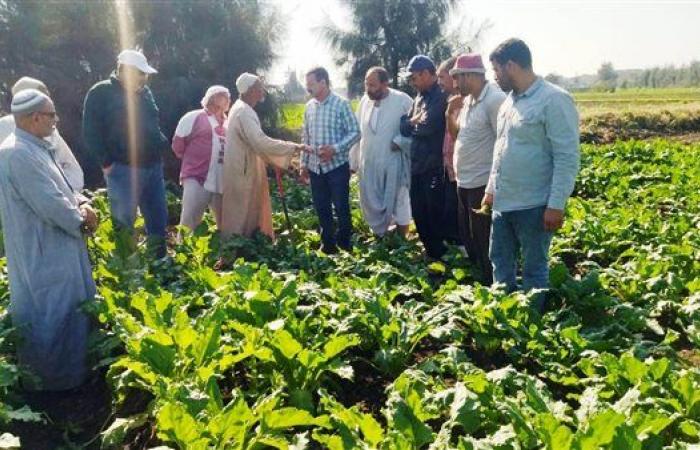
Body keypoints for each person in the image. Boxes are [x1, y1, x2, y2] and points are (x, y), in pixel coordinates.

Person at [0, 89, 97, 390]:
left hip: (58, 243)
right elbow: (50, 203)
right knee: (51, 312)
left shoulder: (35, 147)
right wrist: (81, 219)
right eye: (52, 114)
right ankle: (54, 386)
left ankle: (73, 376)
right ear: (35, 117)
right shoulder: (17, 153)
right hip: (44, 248)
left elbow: (63, 188)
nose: (56, 119)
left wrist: (82, 202)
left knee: (67, 308)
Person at [483, 38, 580, 310]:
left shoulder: (554, 100)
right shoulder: (507, 104)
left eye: (497, 70)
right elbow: (500, 150)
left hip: (534, 205)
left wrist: (556, 205)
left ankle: (531, 328)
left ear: (511, 65)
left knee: (534, 269)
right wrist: (491, 190)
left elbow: (566, 156)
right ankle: (505, 320)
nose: (495, 77)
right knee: (500, 263)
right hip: (504, 204)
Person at [82, 49, 169, 257]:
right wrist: (106, 162)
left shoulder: (145, 93)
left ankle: (159, 262)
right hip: (122, 168)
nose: (143, 78)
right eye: (140, 74)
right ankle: (128, 270)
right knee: (124, 222)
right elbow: (90, 131)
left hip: (152, 166)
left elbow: (153, 123)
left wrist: (160, 145)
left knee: (158, 217)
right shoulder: (100, 93)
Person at [220, 73, 305, 240]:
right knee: (242, 212)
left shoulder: (242, 109)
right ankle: (237, 249)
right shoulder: (243, 112)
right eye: (259, 87)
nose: (262, 91)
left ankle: (246, 246)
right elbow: (260, 142)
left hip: (244, 167)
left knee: (247, 210)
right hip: (243, 170)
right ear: (249, 90)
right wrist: (293, 147)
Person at [448, 53, 506, 285]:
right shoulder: (469, 101)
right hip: (464, 181)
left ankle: (494, 286)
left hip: (482, 183)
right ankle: (480, 282)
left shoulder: (494, 100)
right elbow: (458, 136)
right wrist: (449, 114)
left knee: (485, 241)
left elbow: (504, 143)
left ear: (472, 76)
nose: (455, 83)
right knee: (470, 237)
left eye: (458, 77)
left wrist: (493, 187)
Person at [300, 66, 360, 254]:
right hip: (315, 168)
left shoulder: (341, 104)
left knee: (341, 206)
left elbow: (356, 132)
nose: (307, 88)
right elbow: (305, 137)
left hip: (336, 167)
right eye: (306, 84)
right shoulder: (309, 107)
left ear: (323, 82)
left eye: (311, 84)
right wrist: (303, 164)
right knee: (321, 206)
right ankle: (328, 244)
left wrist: (334, 149)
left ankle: (344, 243)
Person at [350, 67, 413, 237]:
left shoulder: (402, 101)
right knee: (372, 199)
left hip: (394, 161)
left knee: (400, 200)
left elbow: (416, 129)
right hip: (369, 161)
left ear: (385, 84)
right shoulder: (364, 101)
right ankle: (381, 236)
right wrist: (353, 162)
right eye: (366, 84)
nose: (368, 89)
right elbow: (357, 133)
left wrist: (400, 142)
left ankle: (402, 241)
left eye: (373, 85)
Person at [399, 55, 449, 260]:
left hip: (433, 166)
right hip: (417, 165)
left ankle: (439, 256)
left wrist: (412, 124)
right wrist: (412, 122)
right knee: (418, 212)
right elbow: (403, 127)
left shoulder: (440, 96)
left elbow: (428, 127)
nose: (413, 82)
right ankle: (430, 251)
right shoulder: (418, 98)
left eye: (415, 77)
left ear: (427, 74)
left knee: (433, 212)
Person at [0, 77, 84, 191]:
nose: (47, 98)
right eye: (43, 94)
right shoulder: (4, 127)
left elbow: (71, 167)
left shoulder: (50, 130)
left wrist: (72, 194)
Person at [172, 85, 230, 232]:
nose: (222, 102)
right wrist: (193, 161)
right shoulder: (194, 117)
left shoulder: (228, 123)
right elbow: (178, 145)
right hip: (197, 177)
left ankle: (224, 253)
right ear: (209, 99)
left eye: (225, 98)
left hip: (221, 179)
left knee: (226, 223)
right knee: (189, 220)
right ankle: (184, 251)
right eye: (218, 97)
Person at [436, 57, 461, 245]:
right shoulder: (450, 102)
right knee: (449, 216)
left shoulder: (466, 102)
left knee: (460, 219)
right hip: (449, 170)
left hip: (464, 173)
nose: (440, 82)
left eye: (442, 77)